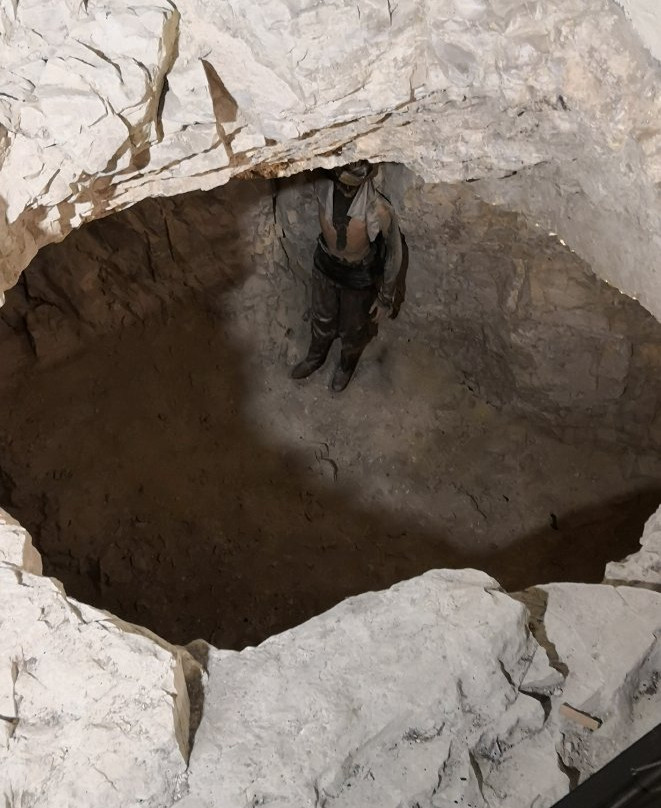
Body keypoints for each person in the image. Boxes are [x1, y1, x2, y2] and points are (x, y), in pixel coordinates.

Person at [291, 160, 403, 392]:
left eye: (352, 185)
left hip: (358, 274)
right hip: (325, 263)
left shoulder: (377, 209)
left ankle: (346, 364)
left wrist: (385, 297)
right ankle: (316, 356)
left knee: (353, 329)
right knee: (322, 318)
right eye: (343, 183)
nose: (346, 189)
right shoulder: (323, 185)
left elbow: (394, 252)